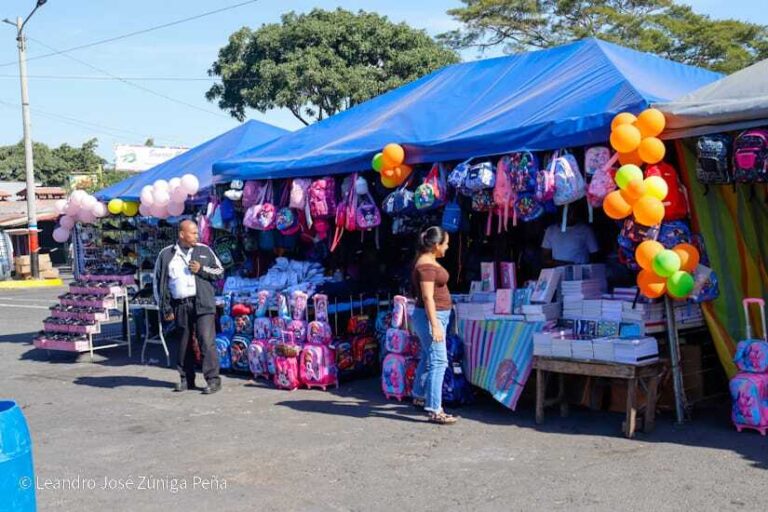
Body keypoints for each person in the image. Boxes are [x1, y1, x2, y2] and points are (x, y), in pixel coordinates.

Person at [154, 219, 224, 394]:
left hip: (203, 303)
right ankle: (186, 379)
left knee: (206, 342)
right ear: (181, 234)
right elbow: (159, 283)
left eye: (196, 232)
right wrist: (165, 308)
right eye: (192, 232)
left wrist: (202, 269)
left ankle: (213, 380)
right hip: (181, 305)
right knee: (184, 344)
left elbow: (220, 272)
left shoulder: (204, 250)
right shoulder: (166, 255)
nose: (196, 235)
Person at [410, 226, 458, 425]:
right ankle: (435, 409)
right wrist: (435, 325)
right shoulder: (427, 267)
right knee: (439, 361)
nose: (447, 248)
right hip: (433, 316)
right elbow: (428, 297)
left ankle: (419, 393)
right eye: (445, 244)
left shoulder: (427, 261)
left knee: (429, 356)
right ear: (436, 245)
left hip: (433, 315)